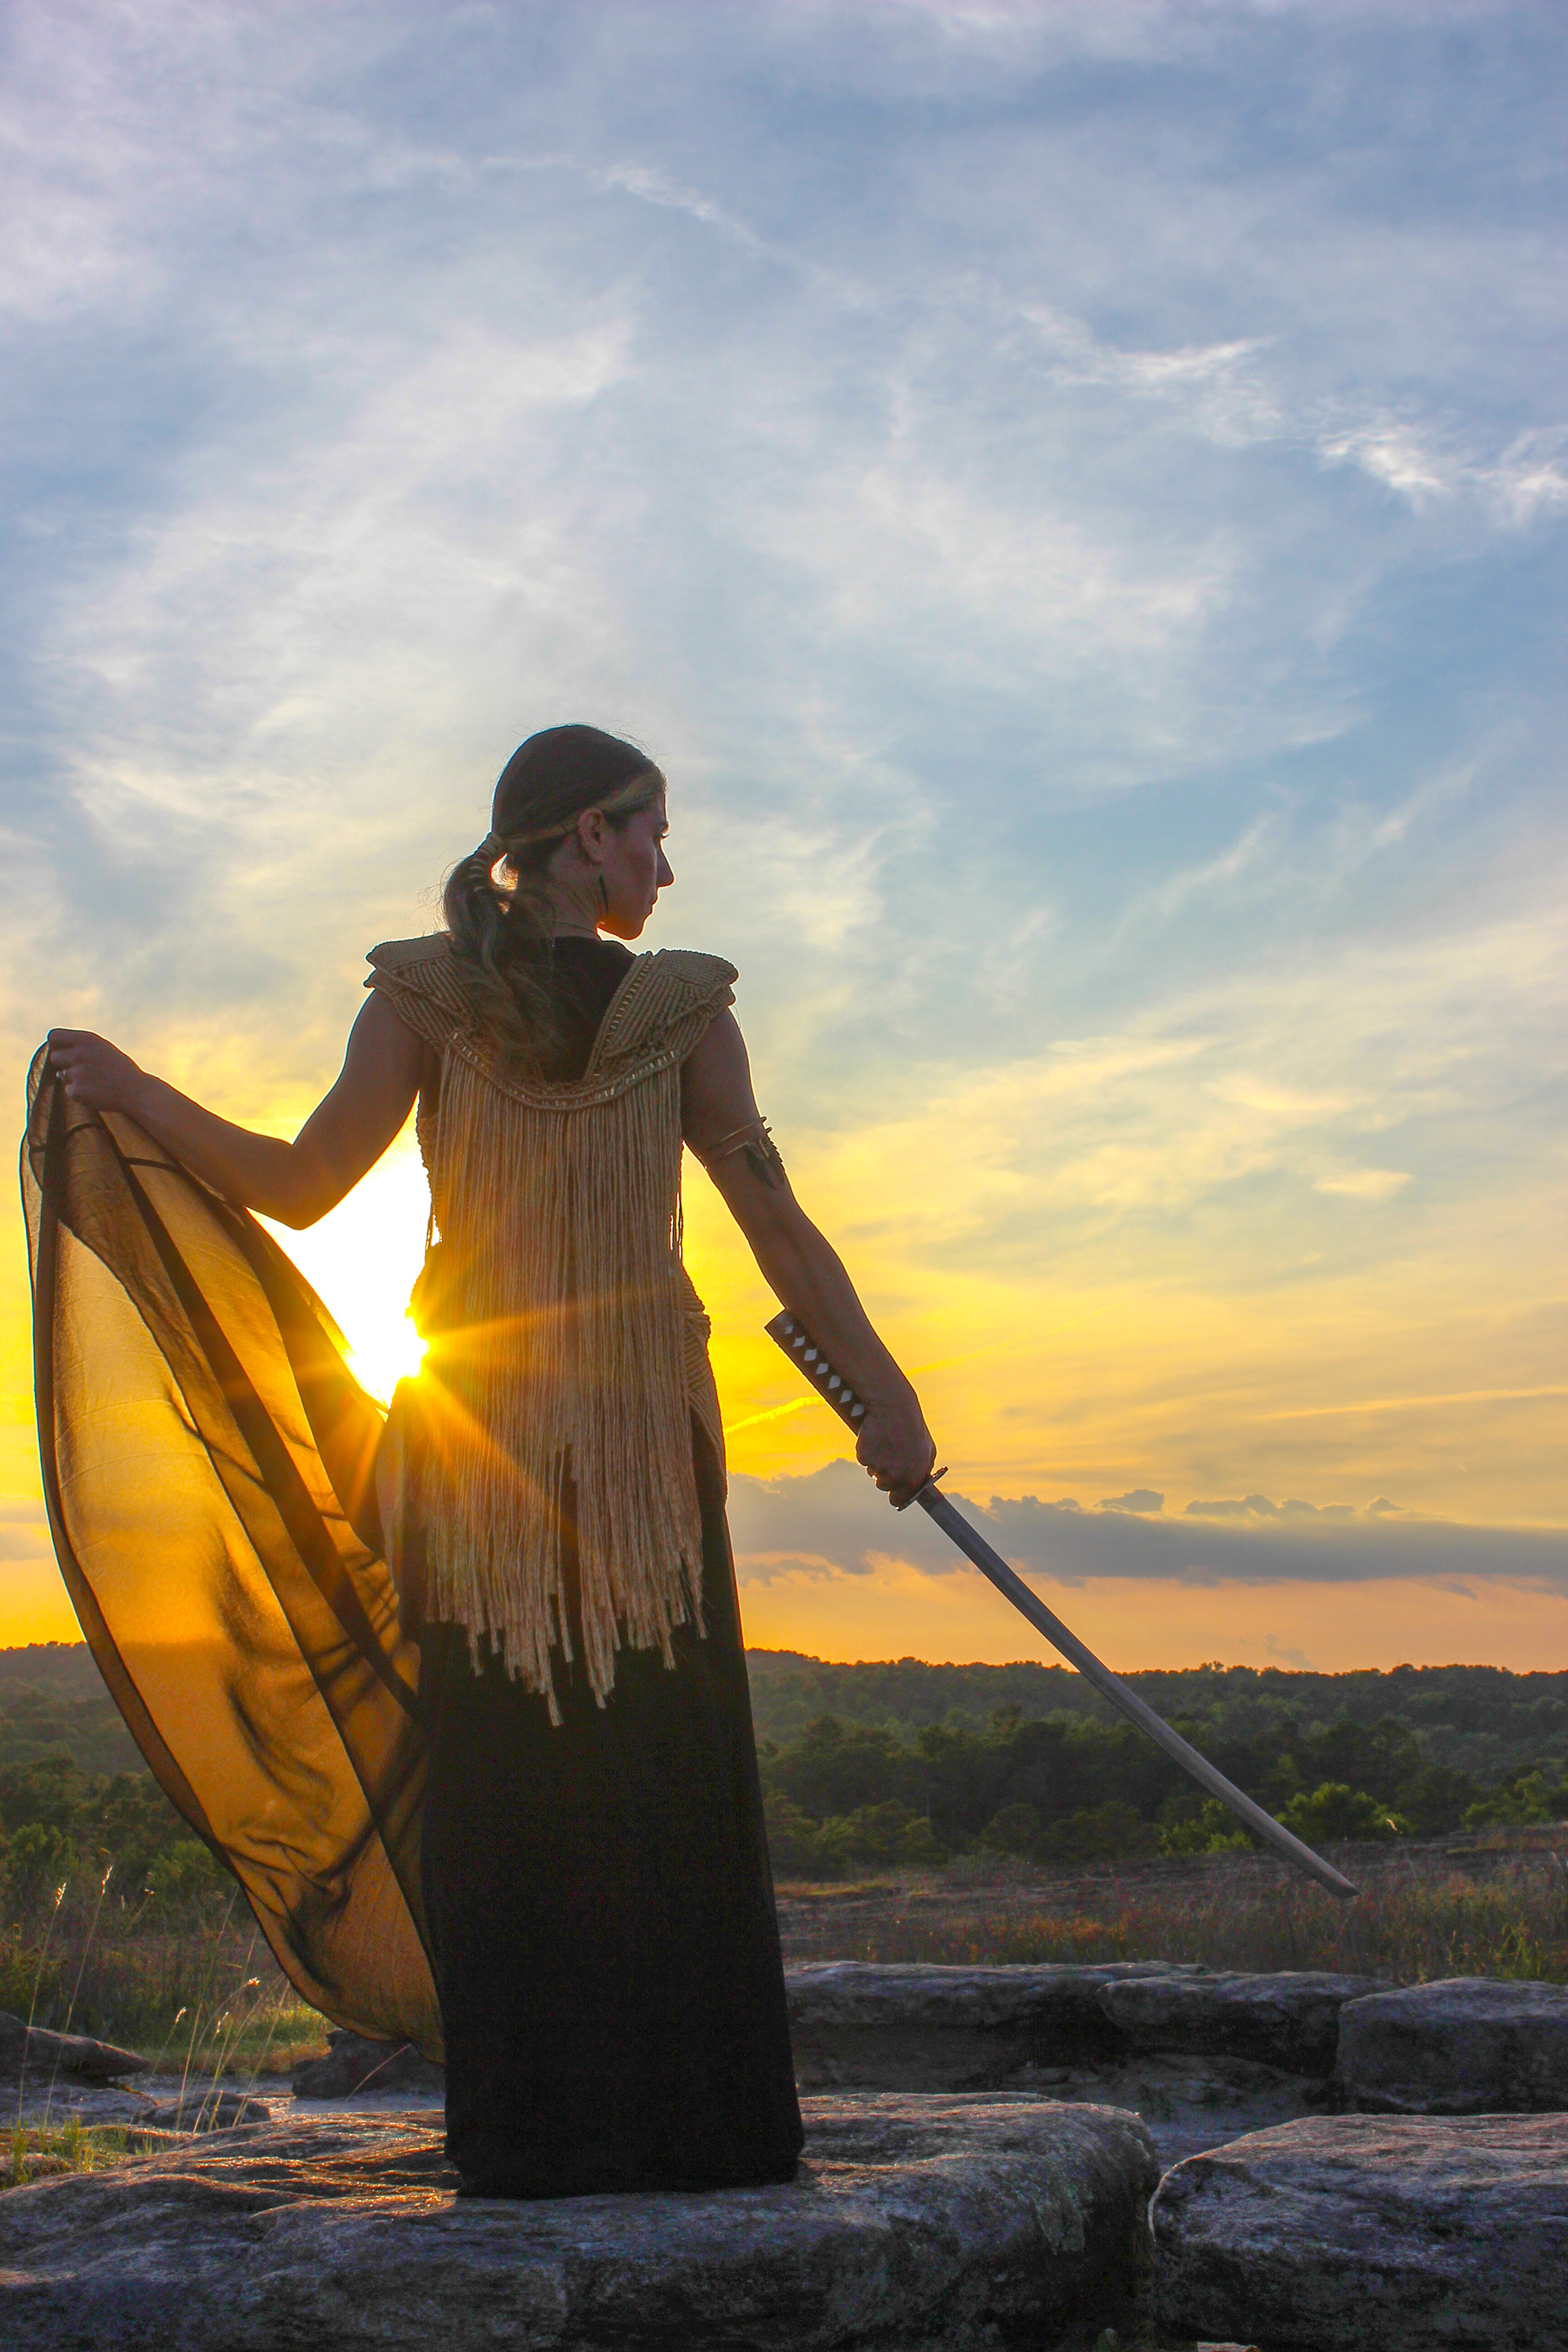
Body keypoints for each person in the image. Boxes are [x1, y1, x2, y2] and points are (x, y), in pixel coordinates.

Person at [35, 723, 935, 2197]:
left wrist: (146, 1096)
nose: (664, 866)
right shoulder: (636, 1010)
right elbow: (776, 1226)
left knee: (529, 1782)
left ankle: (536, 2139)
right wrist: (884, 1401)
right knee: (650, 1774)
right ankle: (698, 2133)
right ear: (588, 834)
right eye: (651, 832)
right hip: (616, 1461)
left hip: (519, 1464)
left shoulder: (509, 1002)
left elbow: (301, 1183)